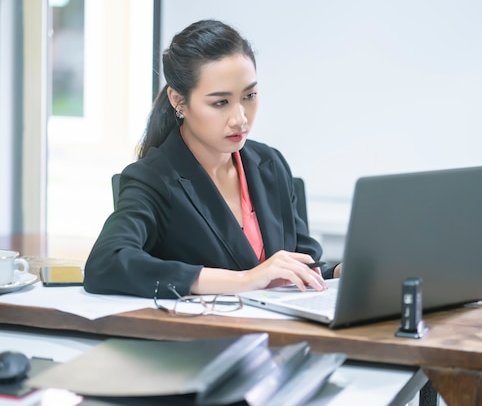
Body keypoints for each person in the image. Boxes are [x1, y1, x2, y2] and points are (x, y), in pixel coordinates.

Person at [83, 19, 340, 299]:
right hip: (202, 337)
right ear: (179, 100)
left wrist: (340, 273)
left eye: (249, 95)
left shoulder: (269, 163)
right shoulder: (154, 178)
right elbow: (106, 264)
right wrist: (246, 280)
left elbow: (299, 265)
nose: (240, 118)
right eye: (220, 102)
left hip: (279, 333)